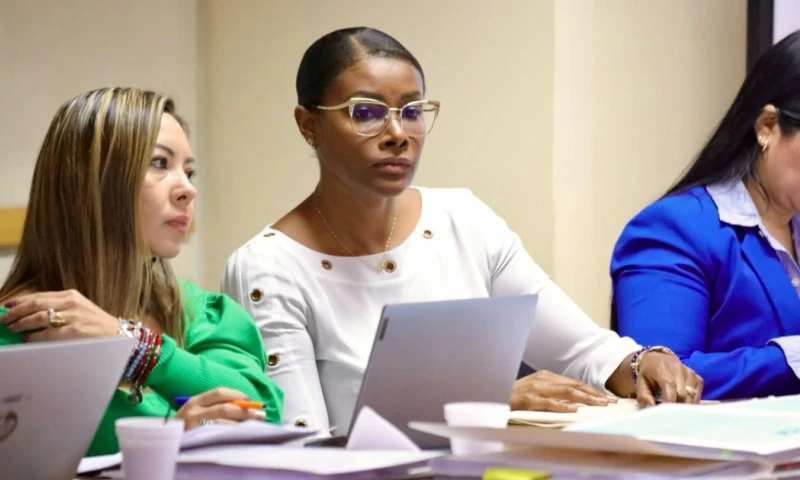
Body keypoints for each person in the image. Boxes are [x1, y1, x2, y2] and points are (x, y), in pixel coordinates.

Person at [222, 27, 702, 434]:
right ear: (308, 125)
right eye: (365, 112)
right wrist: (486, 402)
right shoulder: (268, 266)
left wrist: (643, 362)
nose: (397, 132)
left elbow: (582, 349)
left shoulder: (461, 220)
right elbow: (300, 445)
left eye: (412, 111)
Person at [0, 87, 283, 456]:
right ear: (91, 181)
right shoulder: (18, 331)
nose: (187, 189)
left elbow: (265, 412)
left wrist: (136, 346)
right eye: (160, 163)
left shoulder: (202, 313)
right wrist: (164, 448)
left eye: (189, 171)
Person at [611, 31, 800, 400]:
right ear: (767, 126)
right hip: (723, 454)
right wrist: (791, 359)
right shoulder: (673, 230)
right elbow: (661, 378)